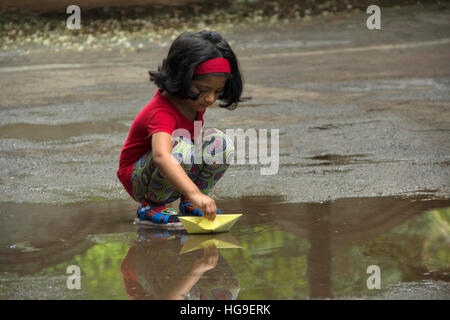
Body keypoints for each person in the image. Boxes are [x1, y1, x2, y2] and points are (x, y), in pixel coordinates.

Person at [117, 30, 244, 227]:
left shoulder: (194, 103)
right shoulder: (162, 111)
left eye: (217, 91)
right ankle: (150, 206)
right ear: (182, 78)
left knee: (219, 143)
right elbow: (162, 156)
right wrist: (194, 193)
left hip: (173, 166)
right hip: (139, 178)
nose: (210, 99)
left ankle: (189, 204)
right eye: (202, 90)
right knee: (181, 147)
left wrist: (194, 195)